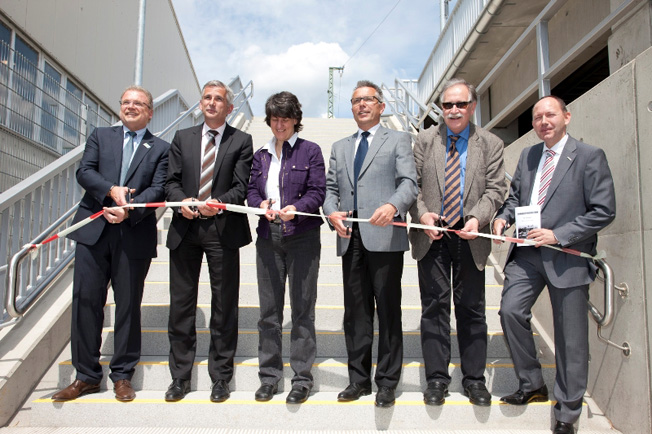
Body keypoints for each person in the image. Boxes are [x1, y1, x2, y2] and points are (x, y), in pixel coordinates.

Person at [493, 96, 616, 434]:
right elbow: (516, 197)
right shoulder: (529, 155)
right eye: (537, 117)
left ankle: (568, 409)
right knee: (510, 312)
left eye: (550, 114)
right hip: (528, 254)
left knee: (570, 338)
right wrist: (503, 219)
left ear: (566, 117)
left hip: (567, 256)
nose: (543, 121)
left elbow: (603, 210)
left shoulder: (590, 156)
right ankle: (532, 383)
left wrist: (559, 234)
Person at [52, 85, 169, 402]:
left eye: (138, 103)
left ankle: (122, 376)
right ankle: (86, 376)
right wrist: (111, 192)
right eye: (126, 102)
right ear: (121, 107)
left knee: (128, 307)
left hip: (133, 235)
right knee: (86, 303)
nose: (131, 107)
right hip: (94, 233)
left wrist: (127, 208)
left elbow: (159, 189)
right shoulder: (100, 136)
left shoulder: (160, 148)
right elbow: (85, 172)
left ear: (150, 111)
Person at [408, 78, 507, 407]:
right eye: (447, 104)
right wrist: (422, 216)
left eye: (460, 104)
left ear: (472, 106)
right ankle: (436, 378)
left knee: (472, 309)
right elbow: (413, 186)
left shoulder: (490, 143)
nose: (452, 110)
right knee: (434, 307)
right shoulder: (424, 140)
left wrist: (477, 218)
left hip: (471, 235)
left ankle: (474, 379)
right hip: (432, 235)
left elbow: (496, 190)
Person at [323, 80, 418, 408]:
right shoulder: (339, 146)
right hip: (351, 239)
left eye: (367, 99)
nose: (361, 105)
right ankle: (358, 380)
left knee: (389, 311)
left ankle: (388, 382)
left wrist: (393, 205)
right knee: (356, 313)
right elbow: (330, 189)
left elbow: (409, 182)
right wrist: (332, 213)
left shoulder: (399, 139)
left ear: (381, 106)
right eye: (355, 101)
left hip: (386, 237)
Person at [164, 80, 253, 403]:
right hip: (185, 228)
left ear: (229, 107)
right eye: (207, 98)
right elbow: (170, 181)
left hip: (222, 230)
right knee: (182, 306)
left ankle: (221, 377)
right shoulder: (182, 138)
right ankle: (180, 377)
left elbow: (242, 186)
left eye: (218, 99)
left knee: (224, 305)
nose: (211, 103)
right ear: (200, 103)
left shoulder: (241, 140)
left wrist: (216, 201)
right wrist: (182, 201)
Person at [247, 91, 326, 404]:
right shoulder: (261, 155)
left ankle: (302, 380)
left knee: (303, 311)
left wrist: (297, 206)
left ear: (296, 120)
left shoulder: (310, 152)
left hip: (303, 237)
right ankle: (269, 378)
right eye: (274, 118)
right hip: (268, 237)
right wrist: (260, 204)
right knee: (269, 312)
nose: (280, 124)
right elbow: (252, 190)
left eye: (286, 118)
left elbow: (318, 192)